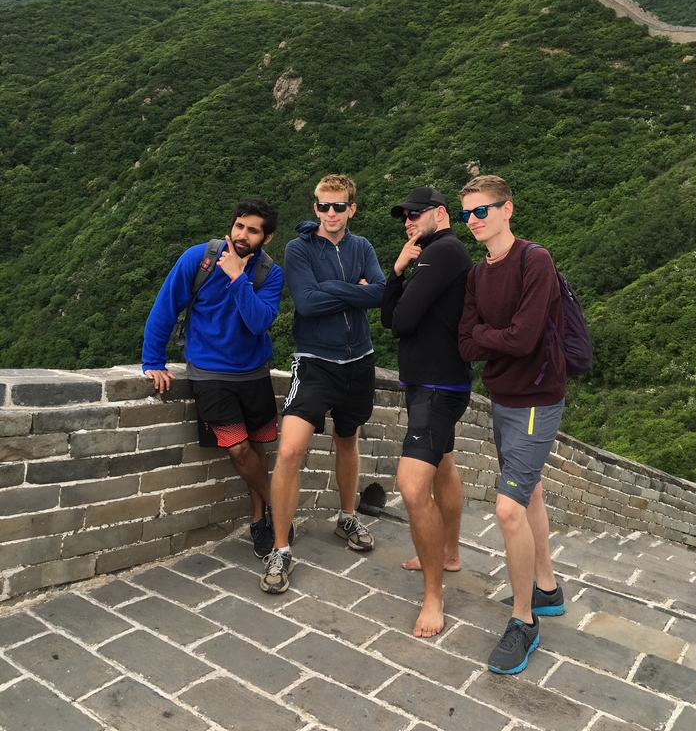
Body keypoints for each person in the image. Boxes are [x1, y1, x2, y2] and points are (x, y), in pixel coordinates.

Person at [457, 175, 566, 675]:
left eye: (483, 211)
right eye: (467, 214)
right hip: (502, 398)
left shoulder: (533, 261)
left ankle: (524, 622)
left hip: (536, 400)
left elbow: (523, 341)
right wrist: (491, 336)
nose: (475, 221)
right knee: (531, 493)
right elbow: (466, 343)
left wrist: (487, 335)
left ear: (508, 210)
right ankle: (546, 589)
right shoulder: (480, 274)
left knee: (507, 509)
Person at [142, 197, 287, 560]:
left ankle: (261, 519)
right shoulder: (199, 258)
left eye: (253, 230)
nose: (242, 234)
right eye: (239, 225)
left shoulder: (270, 273)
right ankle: (279, 508)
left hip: (253, 372)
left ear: (266, 238)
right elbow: (166, 304)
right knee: (237, 447)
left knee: (258, 445)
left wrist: (238, 278)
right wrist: (152, 360)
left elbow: (258, 322)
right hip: (208, 373)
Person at [261, 174, 385, 593]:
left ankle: (347, 516)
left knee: (347, 438)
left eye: (339, 206)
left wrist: (334, 288)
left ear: (352, 208)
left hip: (360, 361)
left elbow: (381, 294)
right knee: (291, 449)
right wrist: (354, 289)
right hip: (315, 363)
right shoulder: (299, 248)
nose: (330, 213)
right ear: (315, 208)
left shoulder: (362, 246)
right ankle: (280, 547)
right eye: (323, 206)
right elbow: (308, 303)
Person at [380, 187, 473, 638]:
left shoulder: (442, 251)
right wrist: (398, 271)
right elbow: (392, 316)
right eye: (405, 215)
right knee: (444, 468)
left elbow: (398, 321)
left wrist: (400, 281)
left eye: (415, 213)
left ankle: (434, 596)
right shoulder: (438, 253)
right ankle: (448, 553)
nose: (408, 221)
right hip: (436, 383)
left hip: (435, 389)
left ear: (440, 214)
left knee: (411, 487)